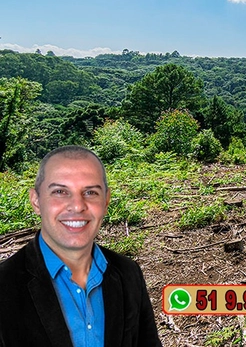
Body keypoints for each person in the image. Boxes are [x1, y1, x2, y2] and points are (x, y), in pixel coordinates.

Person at [0, 145, 162, 347]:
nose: (77, 206)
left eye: (91, 192)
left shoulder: (128, 273)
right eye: (60, 191)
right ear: (36, 201)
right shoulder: (4, 285)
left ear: (106, 201)